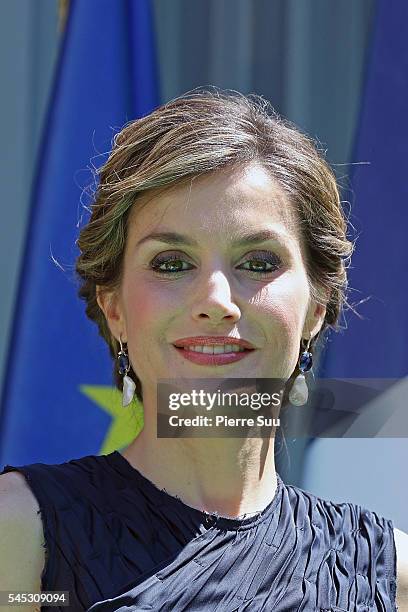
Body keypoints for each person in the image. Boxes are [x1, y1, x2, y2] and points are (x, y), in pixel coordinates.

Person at [0, 89, 407, 612]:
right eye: (171, 263)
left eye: (259, 262)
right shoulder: (21, 544)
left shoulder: (387, 578)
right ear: (114, 308)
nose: (216, 302)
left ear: (317, 308)